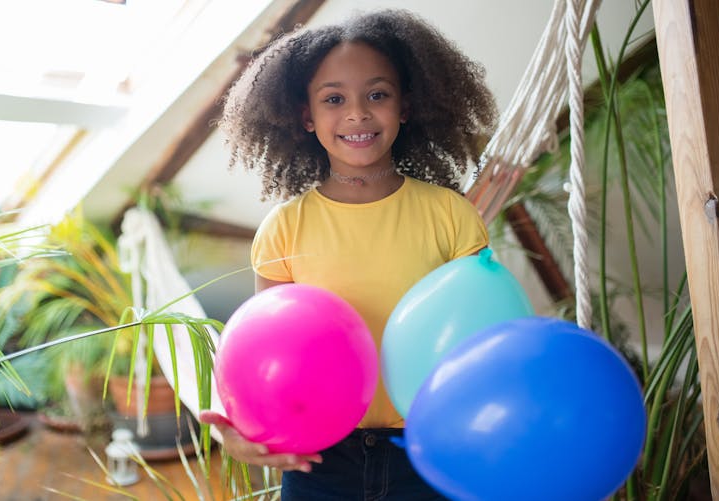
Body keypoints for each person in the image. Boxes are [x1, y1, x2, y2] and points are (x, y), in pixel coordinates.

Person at [200, 8, 497, 500]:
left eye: (377, 94)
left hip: (430, 450)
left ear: (405, 106)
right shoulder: (283, 229)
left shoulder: (452, 215)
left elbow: (476, 343)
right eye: (333, 99)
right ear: (305, 116)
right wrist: (231, 430)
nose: (357, 113)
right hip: (320, 461)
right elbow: (264, 353)